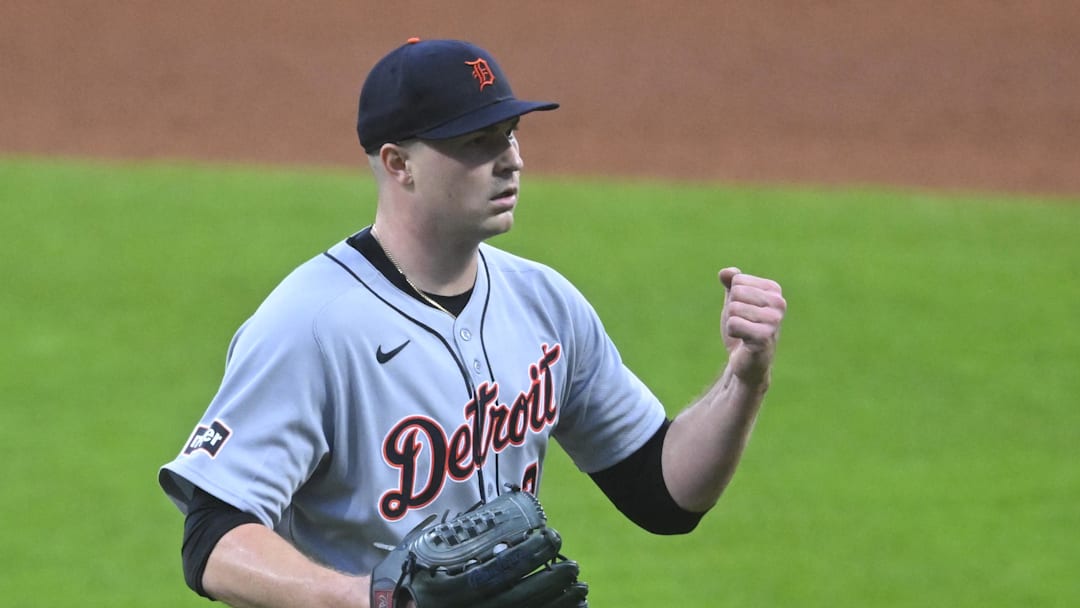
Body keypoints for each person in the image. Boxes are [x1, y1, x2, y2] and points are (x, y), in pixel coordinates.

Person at [158, 37, 786, 608]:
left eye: (509, 134)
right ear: (399, 163)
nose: (510, 161)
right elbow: (213, 538)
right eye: (475, 143)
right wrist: (374, 600)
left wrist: (744, 380)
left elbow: (662, 493)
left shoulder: (545, 302)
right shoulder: (310, 327)